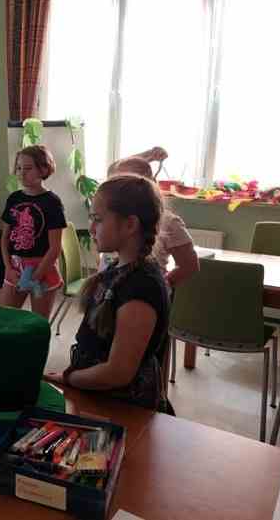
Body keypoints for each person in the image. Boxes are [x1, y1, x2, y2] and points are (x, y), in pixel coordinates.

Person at [44, 175, 171, 411]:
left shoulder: (141, 288)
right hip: (98, 394)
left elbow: (118, 372)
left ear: (130, 225)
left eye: (98, 220)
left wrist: (69, 378)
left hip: (123, 407)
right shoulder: (117, 268)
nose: (91, 228)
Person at [108, 149, 199, 289]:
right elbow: (113, 168)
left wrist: (161, 285)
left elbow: (190, 265)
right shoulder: (114, 214)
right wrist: (148, 155)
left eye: (124, 182)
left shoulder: (168, 221)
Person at [0, 145, 67, 319]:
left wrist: (36, 276)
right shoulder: (14, 198)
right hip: (15, 268)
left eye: (28, 168)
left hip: (43, 269)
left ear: (43, 169)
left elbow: (55, 248)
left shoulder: (52, 202)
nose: (22, 173)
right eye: (19, 168)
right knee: (4, 319)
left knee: (38, 325)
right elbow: (5, 238)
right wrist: (8, 268)